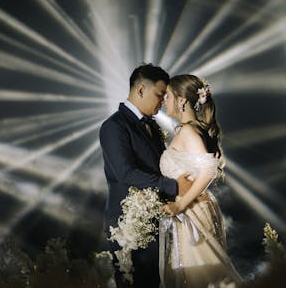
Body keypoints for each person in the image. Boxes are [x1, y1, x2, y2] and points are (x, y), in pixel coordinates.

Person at [99, 63, 191, 288]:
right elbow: (125, 172)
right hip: (128, 224)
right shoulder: (114, 126)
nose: (162, 102)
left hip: (155, 220)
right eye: (160, 95)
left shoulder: (151, 125)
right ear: (141, 90)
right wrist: (174, 187)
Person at [159, 74, 242, 287]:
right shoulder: (189, 130)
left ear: (182, 100)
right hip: (191, 209)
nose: (163, 100)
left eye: (167, 96)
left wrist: (180, 204)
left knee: (205, 277)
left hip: (191, 210)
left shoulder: (188, 131)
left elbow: (207, 171)